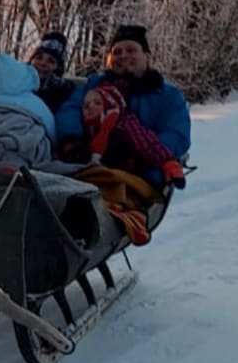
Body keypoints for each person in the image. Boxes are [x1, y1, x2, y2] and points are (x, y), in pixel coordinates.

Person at [54, 24, 190, 245]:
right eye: (117, 52)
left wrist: (140, 153)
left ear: (147, 56)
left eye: (130, 50)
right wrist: (73, 140)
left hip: (139, 175)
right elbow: (70, 109)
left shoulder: (166, 95)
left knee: (97, 196)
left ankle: (117, 218)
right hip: (90, 164)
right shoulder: (96, 85)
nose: (123, 56)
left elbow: (177, 134)